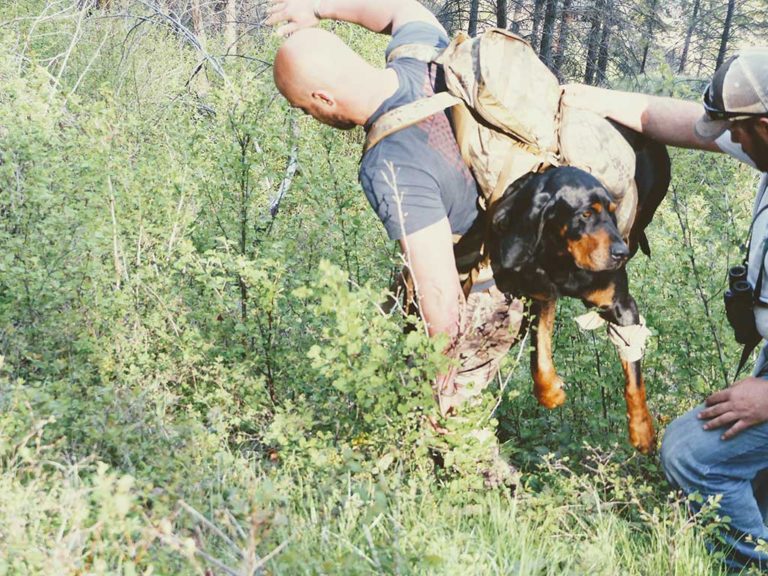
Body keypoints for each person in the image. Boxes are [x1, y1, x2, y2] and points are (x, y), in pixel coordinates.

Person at [267, 0, 523, 482]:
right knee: (398, 341)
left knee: (447, 424)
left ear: (323, 99)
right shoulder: (420, 54)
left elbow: (444, 304)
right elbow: (401, 7)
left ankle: (495, 503)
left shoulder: (389, 164)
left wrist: (439, 386)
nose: (311, 116)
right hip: (509, 237)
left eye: (305, 108)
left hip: (494, 285)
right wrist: (319, 10)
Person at [565, 48, 768, 570]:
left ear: (764, 125)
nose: (730, 141)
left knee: (692, 454)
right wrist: (575, 96)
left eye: (738, 132)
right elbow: (667, 119)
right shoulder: (764, 141)